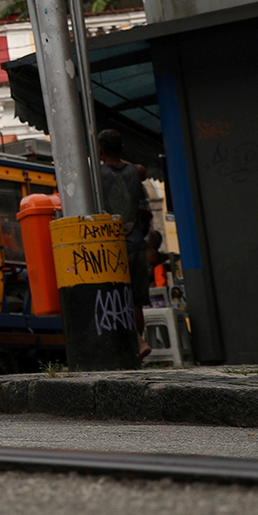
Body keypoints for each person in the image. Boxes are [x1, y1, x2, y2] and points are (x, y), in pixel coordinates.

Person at [96, 129, 151, 360]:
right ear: (123, 148)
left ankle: (131, 344)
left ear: (99, 151)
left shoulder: (97, 174)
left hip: (112, 246)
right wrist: (118, 156)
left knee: (112, 296)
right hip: (137, 245)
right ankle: (136, 343)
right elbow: (136, 169)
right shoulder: (137, 171)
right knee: (137, 300)